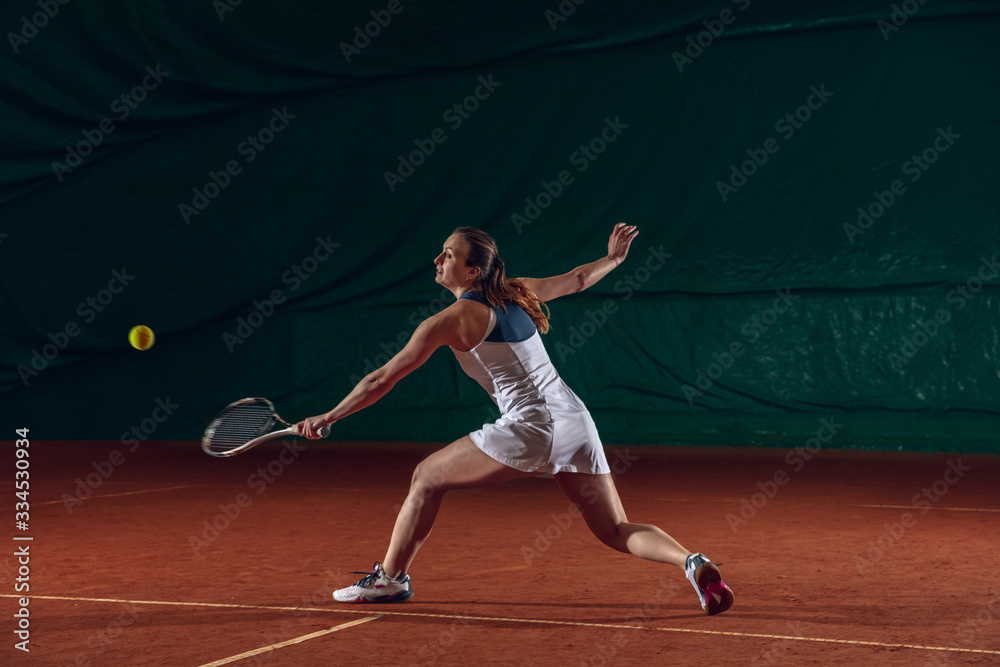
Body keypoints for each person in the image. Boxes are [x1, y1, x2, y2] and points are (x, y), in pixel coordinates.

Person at [294, 223, 734, 615]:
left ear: (471, 273)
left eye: (448, 254)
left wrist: (330, 415)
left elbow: (381, 379)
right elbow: (579, 280)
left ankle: (391, 580)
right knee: (615, 529)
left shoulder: (450, 320)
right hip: (577, 422)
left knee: (426, 477)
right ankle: (690, 561)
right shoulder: (518, 291)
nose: (437, 258)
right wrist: (614, 259)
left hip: (531, 428)